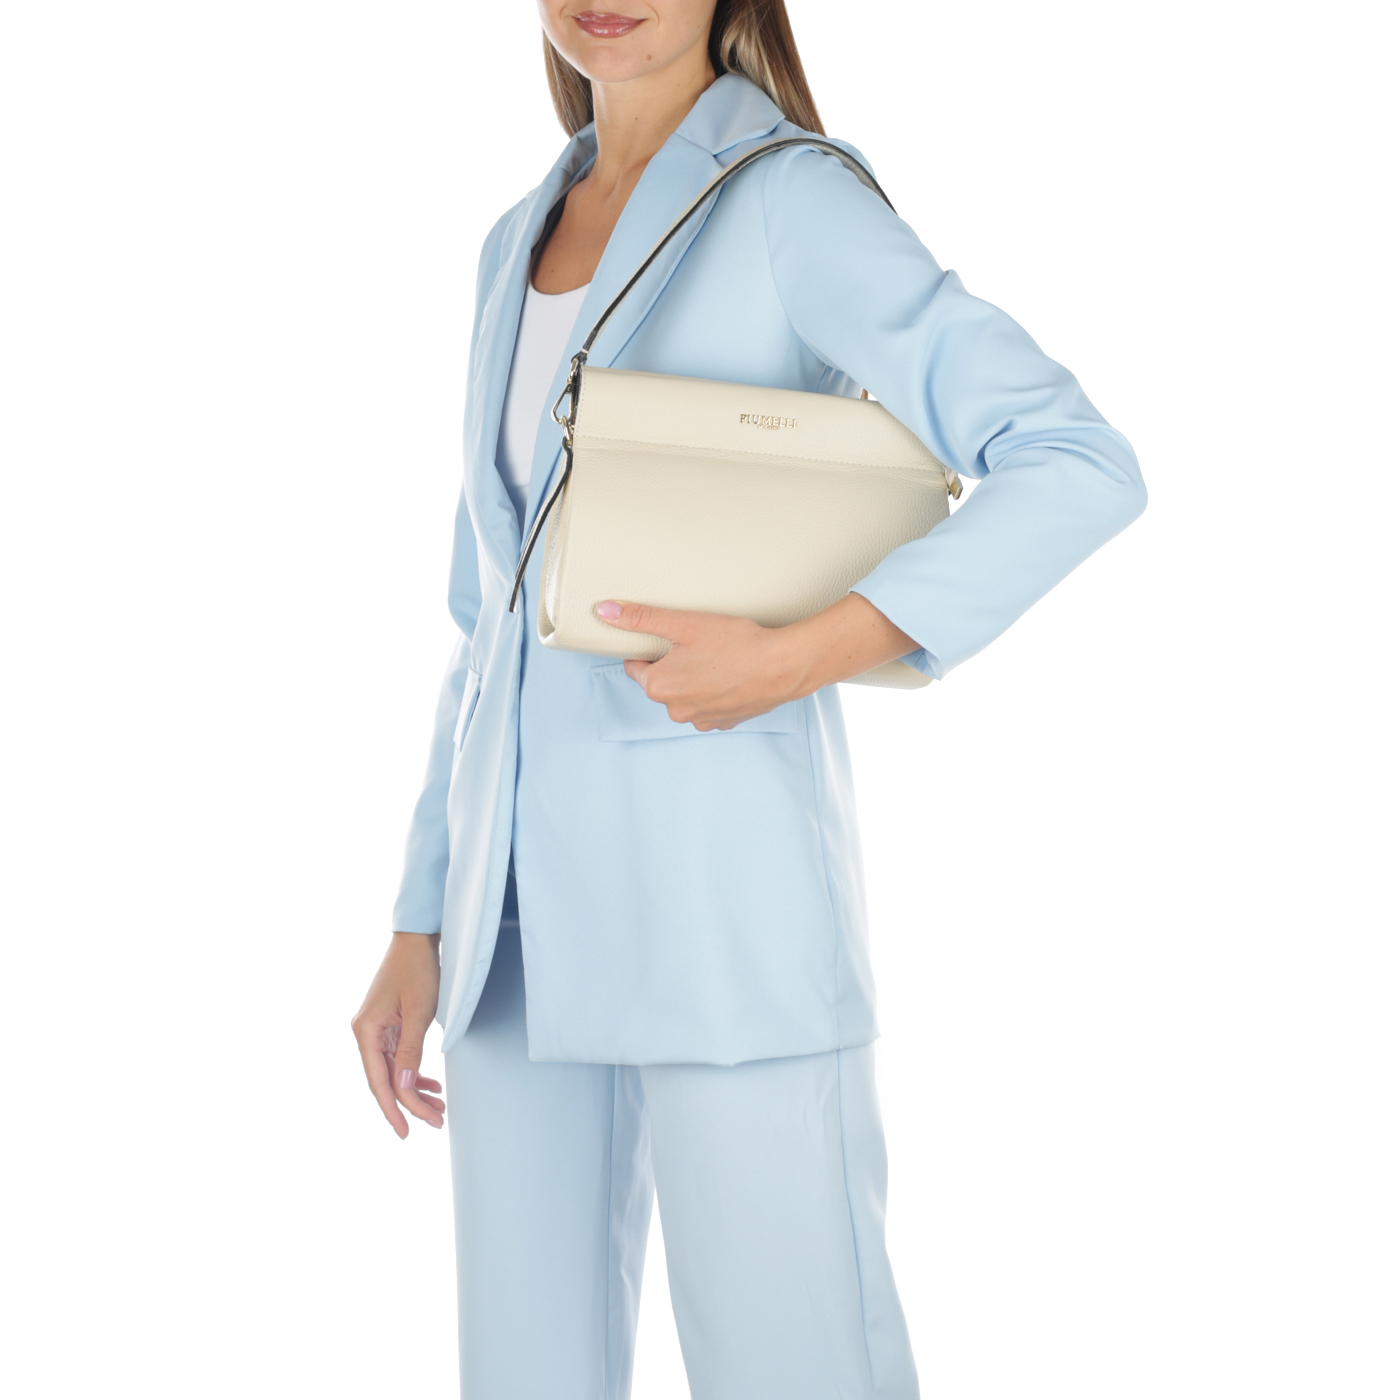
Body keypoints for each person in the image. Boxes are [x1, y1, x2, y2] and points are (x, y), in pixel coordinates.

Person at [352, 3, 1147, 1397]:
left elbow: (1076, 459)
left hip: (721, 903)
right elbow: (485, 622)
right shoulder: (510, 242)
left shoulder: (790, 200)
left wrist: (803, 652)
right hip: (509, 935)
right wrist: (422, 917)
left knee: (798, 1369)